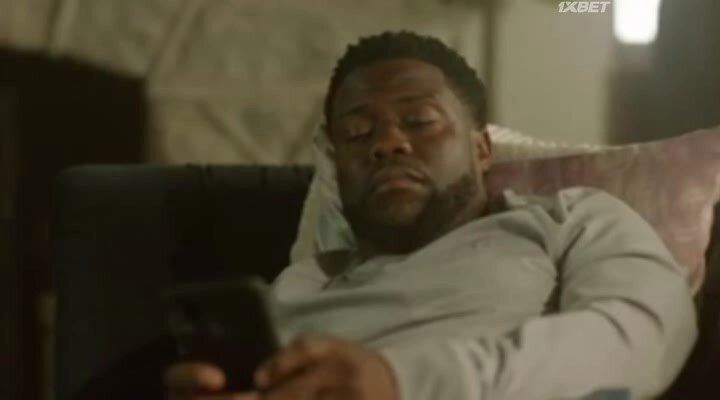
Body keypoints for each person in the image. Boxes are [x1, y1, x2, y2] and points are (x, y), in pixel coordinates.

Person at [164, 31, 696, 400]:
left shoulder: (570, 220)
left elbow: (641, 338)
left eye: (419, 121)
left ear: (481, 149)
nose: (387, 143)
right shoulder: (299, 285)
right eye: (357, 133)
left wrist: (400, 381)